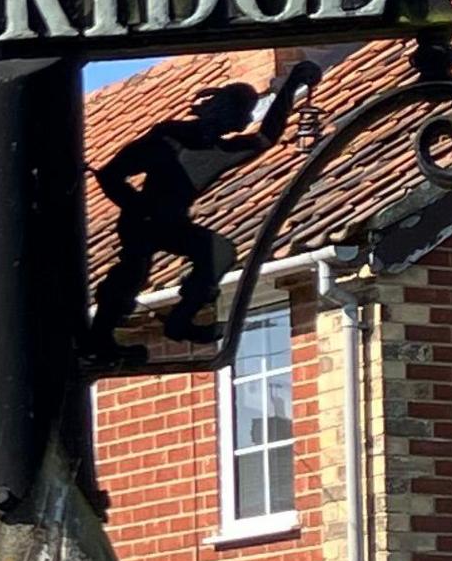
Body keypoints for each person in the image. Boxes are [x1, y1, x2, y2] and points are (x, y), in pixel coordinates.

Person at [90, 60, 320, 351]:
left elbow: (266, 137)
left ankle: (181, 320)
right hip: (142, 220)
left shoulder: (222, 151)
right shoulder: (170, 136)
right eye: (240, 111)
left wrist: (291, 86)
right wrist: (137, 207)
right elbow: (112, 174)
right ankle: (99, 338)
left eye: (247, 113)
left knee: (218, 252)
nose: (244, 119)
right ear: (220, 108)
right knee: (132, 274)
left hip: (172, 222)